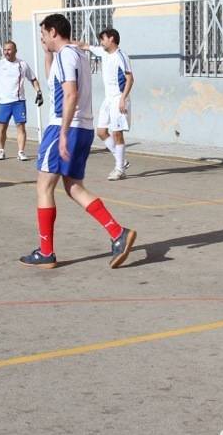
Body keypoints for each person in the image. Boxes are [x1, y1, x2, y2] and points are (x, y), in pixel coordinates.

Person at [20, 14, 136, 269]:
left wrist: (61, 133)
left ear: (53, 32)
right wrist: (46, 53)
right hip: (82, 127)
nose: (42, 39)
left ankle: (46, 252)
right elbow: (55, 83)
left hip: (66, 126)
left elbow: (70, 94)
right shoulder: (76, 54)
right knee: (73, 187)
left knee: (43, 186)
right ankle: (118, 233)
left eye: (43, 35)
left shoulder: (66, 55)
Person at [78, 28, 134, 180]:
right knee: (101, 132)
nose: (101, 42)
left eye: (103, 39)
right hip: (107, 99)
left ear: (111, 39)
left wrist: (123, 98)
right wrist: (66, 43)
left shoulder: (121, 56)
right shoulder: (103, 52)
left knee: (117, 133)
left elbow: (130, 78)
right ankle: (121, 160)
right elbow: (84, 46)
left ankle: (119, 169)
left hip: (118, 98)